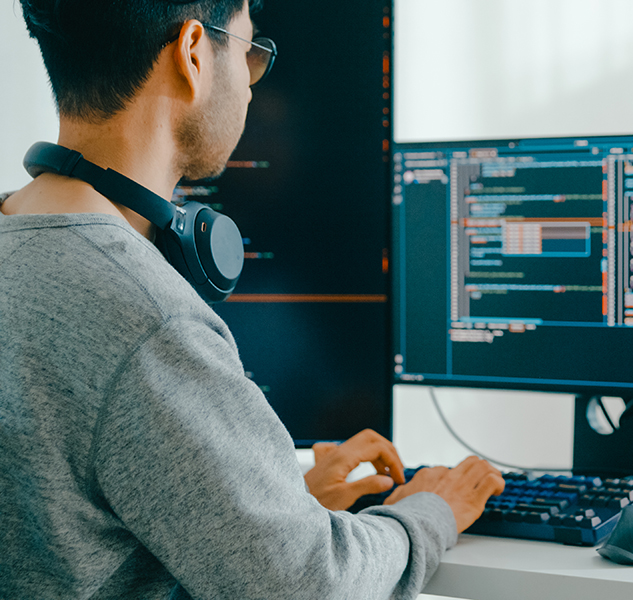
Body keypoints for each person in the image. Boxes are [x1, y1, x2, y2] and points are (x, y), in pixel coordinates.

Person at [0, 1, 504, 598]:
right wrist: (430, 511)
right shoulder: (148, 316)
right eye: (248, 51)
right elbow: (313, 585)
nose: (247, 84)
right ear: (193, 55)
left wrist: (273, 507)